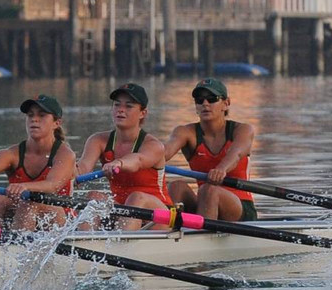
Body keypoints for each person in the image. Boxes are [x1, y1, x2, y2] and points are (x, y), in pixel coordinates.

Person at [0, 94, 77, 231]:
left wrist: (24, 186)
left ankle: (17, 247)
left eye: (42, 115)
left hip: (60, 218)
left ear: (57, 123)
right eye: (30, 115)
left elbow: (52, 185)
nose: (34, 119)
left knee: (29, 202)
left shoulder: (65, 155)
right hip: (24, 212)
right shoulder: (12, 154)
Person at [75, 82, 172, 230]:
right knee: (95, 196)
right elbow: (82, 170)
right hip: (123, 210)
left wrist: (118, 163)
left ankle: (121, 247)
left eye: (128, 106)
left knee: (136, 197)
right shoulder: (98, 140)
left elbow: (138, 161)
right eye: (117, 105)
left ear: (142, 113)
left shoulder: (154, 145)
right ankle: (85, 244)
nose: (120, 110)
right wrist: (62, 175)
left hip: (159, 215)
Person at [164, 78, 259, 221]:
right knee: (176, 186)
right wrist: (137, 160)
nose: (205, 104)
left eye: (212, 99)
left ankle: (199, 237)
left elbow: (237, 152)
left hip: (240, 207)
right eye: (199, 100)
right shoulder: (185, 132)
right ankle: (168, 230)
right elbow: (163, 153)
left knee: (209, 190)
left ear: (226, 104)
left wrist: (222, 169)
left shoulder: (242, 130)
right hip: (205, 202)